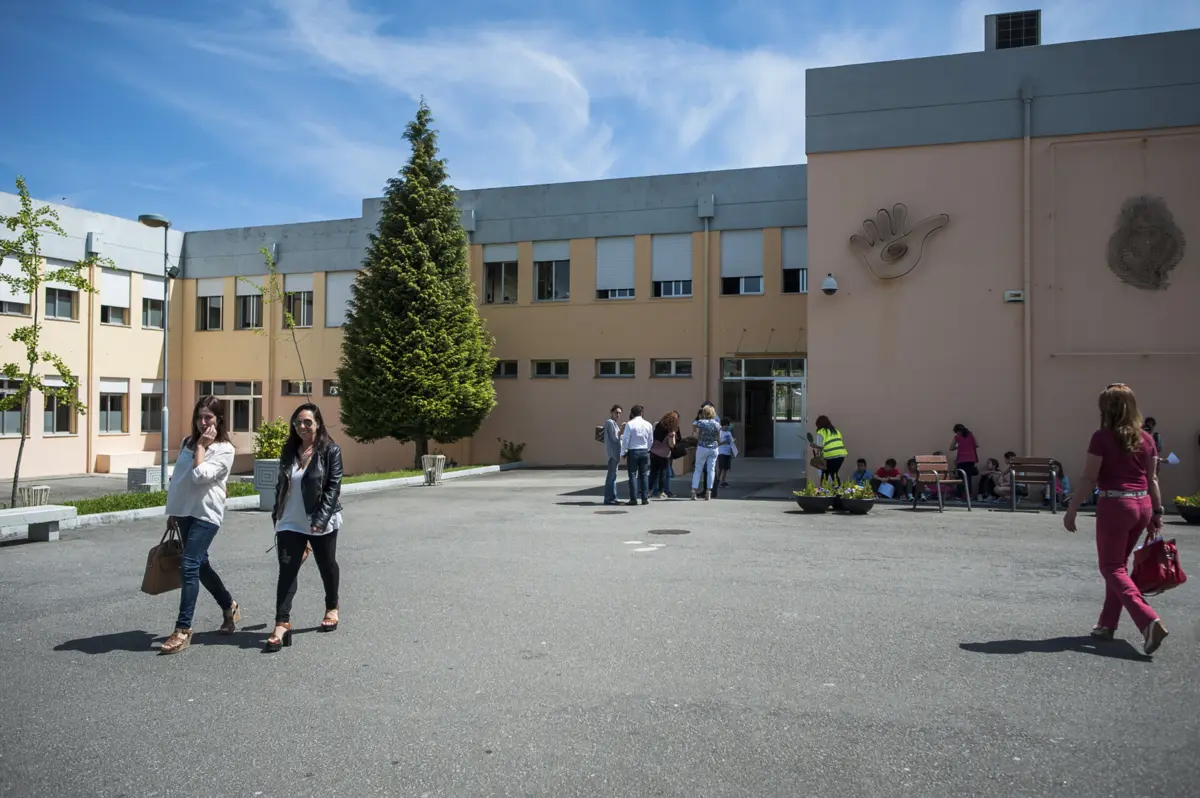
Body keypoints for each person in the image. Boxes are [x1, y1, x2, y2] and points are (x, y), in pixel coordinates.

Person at [1063, 384, 1169, 656]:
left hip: (1116, 504)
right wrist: (1156, 513)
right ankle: (1106, 625)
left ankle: (1148, 621)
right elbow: (1152, 478)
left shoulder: (1101, 437)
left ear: (1105, 409)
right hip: (1142, 503)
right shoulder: (1146, 439)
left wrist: (1072, 509)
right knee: (1119, 566)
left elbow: (1089, 477)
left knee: (1111, 567)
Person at [158, 396, 240, 655]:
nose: (203, 422)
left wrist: (203, 447)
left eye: (209, 417)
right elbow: (180, 479)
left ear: (219, 420)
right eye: (199, 417)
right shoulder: (187, 442)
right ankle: (229, 607)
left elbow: (200, 475)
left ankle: (183, 629)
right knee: (200, 565)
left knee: (190, 564)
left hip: (206, 514)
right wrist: (173, 511)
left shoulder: (225, 449)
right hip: (184, 513)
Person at [266, 403, 344, 653]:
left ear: (318, 423)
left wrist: (321, 520)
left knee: (326, 564)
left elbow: (333, 488)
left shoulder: (330, 451)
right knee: (286, 571)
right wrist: (276, 513)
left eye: (307, 422)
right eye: (297, 422)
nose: (302, 426)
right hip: (290, 521)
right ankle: (281, 623)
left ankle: (332, 605)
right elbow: (282, 484)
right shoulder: (289, 450)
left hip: (319, 519)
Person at [621, 405, 654, 506]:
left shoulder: (630, 424)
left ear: (632, 413)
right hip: (644, 450)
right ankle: (644, 498)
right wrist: (647, 449)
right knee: (644, 475)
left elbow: (625, 439)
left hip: (633, 451)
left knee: (632, 475)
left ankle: (633, 499)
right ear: (641, 413)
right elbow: (651, 440)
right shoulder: (648, 424)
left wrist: (623, 452)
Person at [691, 405, 721, 500]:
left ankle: (694, 491)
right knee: (711, 470)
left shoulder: (701, 423)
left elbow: (697, 435)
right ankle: (709, 491)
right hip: (713, 448)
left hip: (702, 447)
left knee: (698, 469)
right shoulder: (717, 424)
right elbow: (719, 438)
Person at [648, 411, 679, 499]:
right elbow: (671, 444)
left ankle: (649, 491)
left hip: (653, 452)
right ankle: (660, 492)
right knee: (662, 474)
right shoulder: (671, 430)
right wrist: (673, 438)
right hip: (664, 455)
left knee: (653, 473)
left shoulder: (657, 425)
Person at [809, 416, 848, 486]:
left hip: (830, 455)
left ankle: (828, 492)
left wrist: (813, 445)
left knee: (826, 474)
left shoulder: (821, 432)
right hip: (841, 455)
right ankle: (837, 491)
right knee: (833, 473)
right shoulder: (836, 431)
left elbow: (820, 445)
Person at [949, 423, 980, 501]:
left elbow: (951, 447)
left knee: (960, 477)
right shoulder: (970, 434)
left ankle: (960, 495)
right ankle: (968, 495)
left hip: (961, 459)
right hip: (971, 459)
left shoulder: (957, 437)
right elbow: (976, 445)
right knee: (968, 477)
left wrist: (959, 446)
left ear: (957, 431)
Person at [602, 405, 624, 506]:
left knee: (613, 476)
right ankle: (609, 498)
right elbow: (615, 438)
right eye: (616, 412)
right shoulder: (610, 423)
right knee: (611, 476)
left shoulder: (614, 424)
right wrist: (622, 431)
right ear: (611, 412)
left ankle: (613, 497)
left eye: (620, 413)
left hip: (615, 454)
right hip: (612, 454)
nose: (618, 415)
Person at [716, 418, 736, 488]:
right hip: (721, 452)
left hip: (728, 452)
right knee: (721, 467)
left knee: (726, 468)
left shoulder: (729, 433)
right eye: (725, 425)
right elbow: (717, 443)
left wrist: (733, 441)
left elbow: (732, 441)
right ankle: (717, 480)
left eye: (727, 425)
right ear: (722, 426)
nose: (726, 427)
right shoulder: (720, 433)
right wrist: (724, 442)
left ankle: (723, 481)